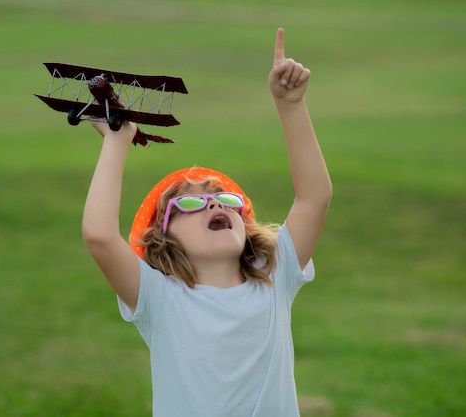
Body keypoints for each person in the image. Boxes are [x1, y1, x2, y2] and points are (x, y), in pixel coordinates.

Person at [82, 28, 332, 417]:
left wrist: (291, 106)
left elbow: (314, 197)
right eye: (192, 202)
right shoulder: (158, 296)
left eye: (226, 198)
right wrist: (117, 142)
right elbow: (99, 236)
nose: (215, 204)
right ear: (163, 237)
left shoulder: (275, 274)